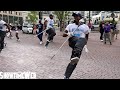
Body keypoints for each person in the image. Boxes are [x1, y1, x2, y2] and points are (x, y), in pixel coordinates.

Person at [63, 13, 89, 79]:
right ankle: (76, 53)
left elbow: (86, 36)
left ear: (80, 17)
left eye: (76, 16)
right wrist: (68, 34)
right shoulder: (70, 25)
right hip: (72, 41)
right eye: (74, 16)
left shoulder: (85, 27)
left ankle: (66, 76)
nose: (75, 17)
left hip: (80, 45)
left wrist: (85, 44)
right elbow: (64, 34)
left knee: (74, 61)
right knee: (78, 39)